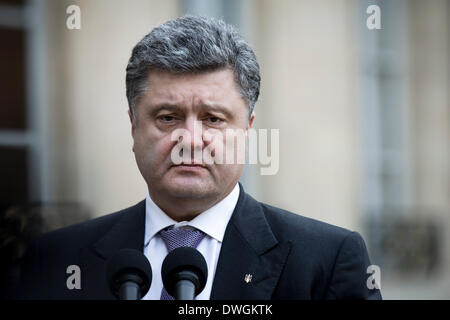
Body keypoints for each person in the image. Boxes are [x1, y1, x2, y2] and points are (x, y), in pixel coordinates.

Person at [17, 15, 381, 300]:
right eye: (167, 118)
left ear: (248, 129)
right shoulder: (57, 258)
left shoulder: (326, 260)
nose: (189, 141)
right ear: (133, 127)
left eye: (213, 119)